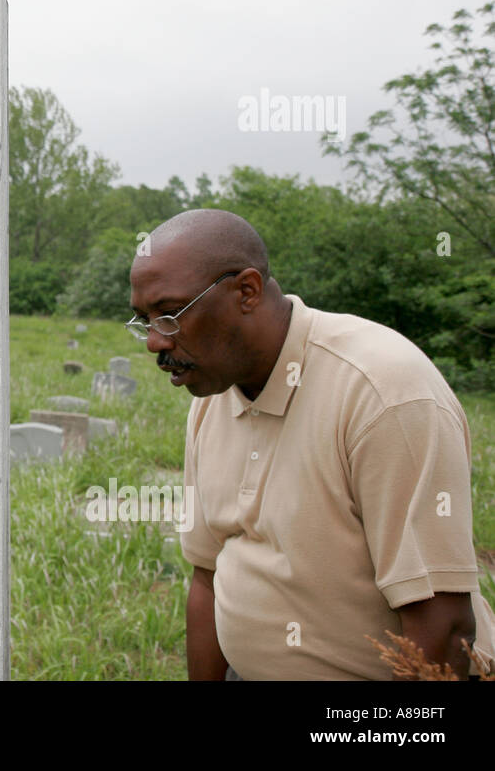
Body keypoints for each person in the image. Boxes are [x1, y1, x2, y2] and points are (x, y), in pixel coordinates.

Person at [128, 208, 494, 680]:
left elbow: (442, 626)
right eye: (144, 321)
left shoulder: (382, 391)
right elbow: (208, 576)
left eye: (170, 315)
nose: (155, 343)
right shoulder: (212, 394)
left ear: (246, 291)